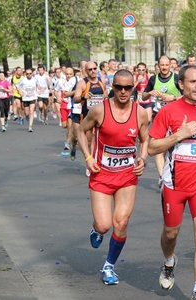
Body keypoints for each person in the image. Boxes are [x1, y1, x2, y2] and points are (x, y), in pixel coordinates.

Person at [148, 65, 196, 300]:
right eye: (193, 82)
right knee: (171, 234)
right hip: (174, 185)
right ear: (181, 84)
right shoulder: (168, 111)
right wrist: (179, 134)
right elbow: (151, 147)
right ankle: (169, 262)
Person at [77, 69, 149, 285]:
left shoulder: (141, 113)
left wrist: (143, 159)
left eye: (128, 87)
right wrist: (88, 157)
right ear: (112, 88)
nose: (123, 91)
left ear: (133, 87)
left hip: (127, 175)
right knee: (103, 225)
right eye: (119, 87)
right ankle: (96, 229)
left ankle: (109, 266)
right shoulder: (100, 110)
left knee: (122, 223)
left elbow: (145, 139)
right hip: (101, 174)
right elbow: (81, 131)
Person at [142, 55, 181, 188]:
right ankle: (162, 177)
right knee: (158, 148)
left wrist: (173, 97)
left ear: (171, 65)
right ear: (158, 66)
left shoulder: (176, 78)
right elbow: (143, 95)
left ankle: (174, 173)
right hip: (158, 116)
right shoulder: (153, 79)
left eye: (166, 65)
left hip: (175, 117)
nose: (164, 68)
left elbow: (186, 96)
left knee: (174, 147)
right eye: (162, 65)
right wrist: (150, 92)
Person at [74, 61, 108, 176]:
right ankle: (89, 163)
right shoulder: (82, 83)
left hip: (101, 115)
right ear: (86, 71)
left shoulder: (101, 81)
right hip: (87, 115)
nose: (93, 71)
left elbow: (105, 95)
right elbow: (75, 99)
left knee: (100, 139)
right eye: (90, 69)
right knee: (88, 141)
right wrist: (84, 96)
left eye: (94, 68)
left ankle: (99, 161)